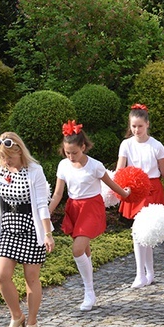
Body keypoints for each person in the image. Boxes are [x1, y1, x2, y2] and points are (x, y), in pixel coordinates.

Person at [49, 121, 130, 311]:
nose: (70, 156)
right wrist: (47, 211)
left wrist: (125, 194)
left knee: (77, 250)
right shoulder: (63, 165)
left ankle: (89, 291)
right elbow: (58, 194)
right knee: (84, 250)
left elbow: (111, 184)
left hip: (92, 208)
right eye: (67, 153)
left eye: (74, 153)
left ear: (83, 147)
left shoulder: (95, 166)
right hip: (74, 208)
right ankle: (90, 289)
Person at [0, 133, 53, 327]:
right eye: (2, 156)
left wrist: (47, 234)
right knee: (1, 275)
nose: (5, 161)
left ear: (19, 151)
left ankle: (32, 323)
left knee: (31, 278)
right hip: (8, 228)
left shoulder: (34, 171)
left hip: (31, 227)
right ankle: (16, 316)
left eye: (8, 157)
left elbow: (41, 205)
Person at [116, 103, 164, 288]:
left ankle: (149, 273)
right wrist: (113, 189)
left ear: (147, 124)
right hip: (133, 188)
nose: (136, 129)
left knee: (147, 232)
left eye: (140, 126)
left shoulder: (157, 146)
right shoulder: (126, 144)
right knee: (137, 232)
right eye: (133, 126)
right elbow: (120, 169)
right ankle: (139, 274)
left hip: (152, 188)